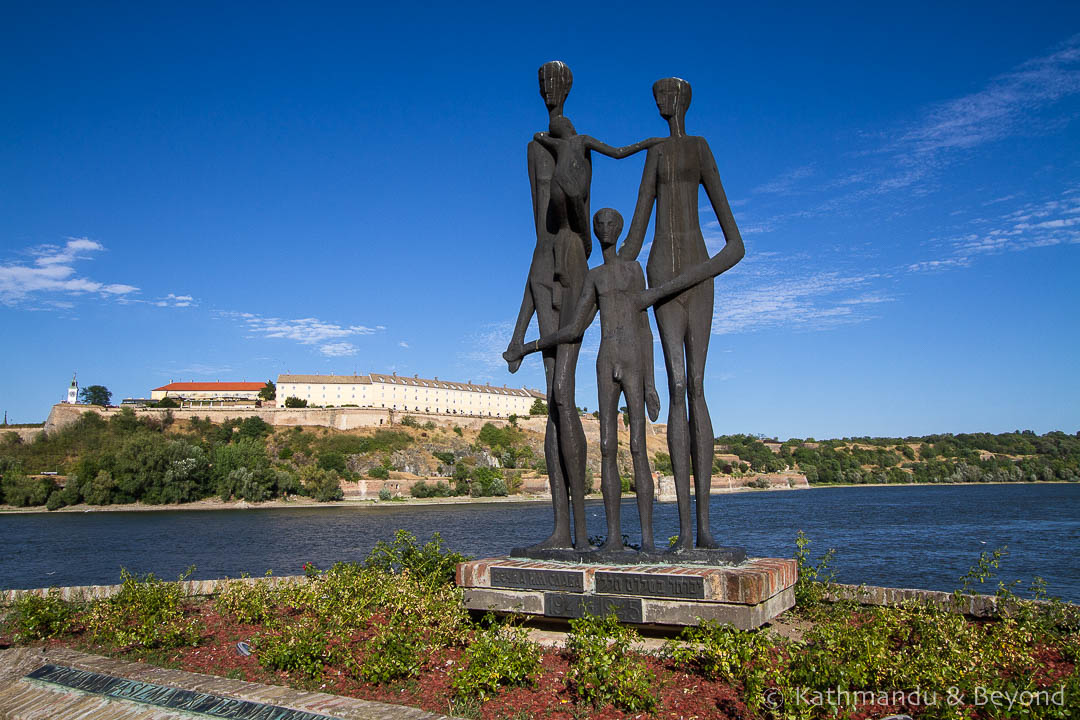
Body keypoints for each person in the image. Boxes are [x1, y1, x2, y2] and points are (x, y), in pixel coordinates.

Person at [618, 77, 746, 551]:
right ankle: (685, 533)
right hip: (659, 272)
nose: (660, 104)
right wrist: (602, 269)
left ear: (683, 100)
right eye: (655, 97)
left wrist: (679, 282)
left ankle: (705, 528)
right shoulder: (654, 154)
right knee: (674, 385)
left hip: (695, 274)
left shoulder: (698, 148)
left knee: (696, 385)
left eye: (667, 96)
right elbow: (635, 232)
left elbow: (736, 245)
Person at [506, 208, 660, 552]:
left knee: (638, 447)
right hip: (606, 360)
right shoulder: (593, 277)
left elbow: (646, 329)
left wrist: (650, 382)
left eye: (610, 224)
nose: (605, 228)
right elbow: (574, 329)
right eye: (599, 224)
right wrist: (527, 346)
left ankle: (648, 541)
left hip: (633, 359)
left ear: (619, 229)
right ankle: (614, 539)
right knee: (607, 448)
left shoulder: (635, 271)